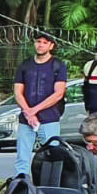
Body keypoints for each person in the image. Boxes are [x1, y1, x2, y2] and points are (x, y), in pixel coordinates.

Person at [12, 31, 69, 177]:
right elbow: (18, 92)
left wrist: (34, 110)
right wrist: (28, 112)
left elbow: (58, 93)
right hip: (26, 118)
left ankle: (51, 181)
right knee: (22, 156)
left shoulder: (58, 65)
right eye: (38, 42)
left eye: (45, 42)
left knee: (53, 153)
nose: (40, 45)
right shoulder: (25, 65)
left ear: (51, 46)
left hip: (49, 117)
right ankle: (22, 181)